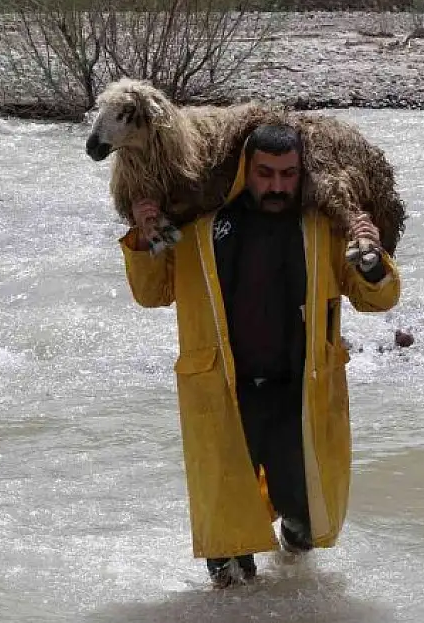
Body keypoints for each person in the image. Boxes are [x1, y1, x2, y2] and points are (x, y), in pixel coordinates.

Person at [118, 123, 401, 588]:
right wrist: (145, 235)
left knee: (309, 522)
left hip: (299, 395)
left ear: (302, 172)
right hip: (225, 397)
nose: (276, 186)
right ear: (245, 171)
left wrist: (371, 263)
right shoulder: (201, 227)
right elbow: (153, 293)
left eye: (287, 175)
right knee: (228, 556)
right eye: (265, 173)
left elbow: (376, 300)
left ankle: (291, 566)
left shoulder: (322, 228)